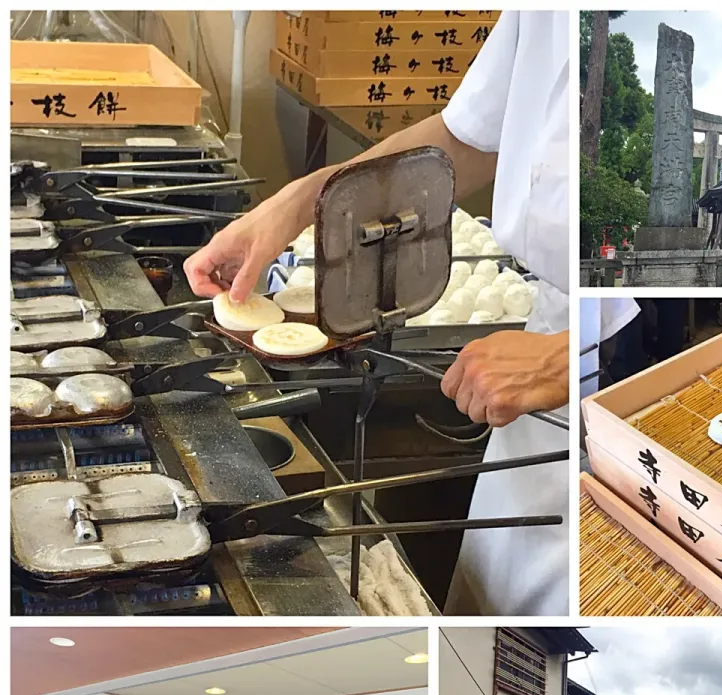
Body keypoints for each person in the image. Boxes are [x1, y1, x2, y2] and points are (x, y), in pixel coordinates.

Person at [184, 12, 570, 617]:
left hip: (604, 358)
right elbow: (464, 140)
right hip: (539, 356)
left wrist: (565, 357)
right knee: (492, 598)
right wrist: (296, 206)